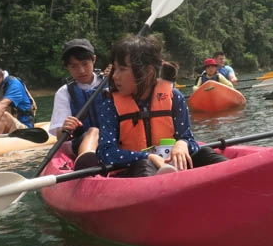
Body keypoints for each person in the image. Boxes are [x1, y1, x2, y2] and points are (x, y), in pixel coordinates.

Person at [96, 34, 227, 177]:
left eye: (122, 69)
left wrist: (183, 144)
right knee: (145, 165)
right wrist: (147, 157)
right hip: (133, 171)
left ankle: (233, 178)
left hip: (172, 166)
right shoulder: (110, 104)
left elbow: (189, 140)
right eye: (115, 69)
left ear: (147, 72)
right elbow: (106, 152)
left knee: (205, 153)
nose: (115, 76)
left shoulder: (174, 97)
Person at [48, 38, 109, 169]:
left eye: (85, 64)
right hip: (81, 143)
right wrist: (64, 128)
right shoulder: (64, 92)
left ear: (94, 59)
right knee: (93, 131)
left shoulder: (111, 81)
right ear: (67, 67)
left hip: (114, 139)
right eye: (74, 66)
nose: (81, 70)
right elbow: (60, 136)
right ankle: (87, 160)